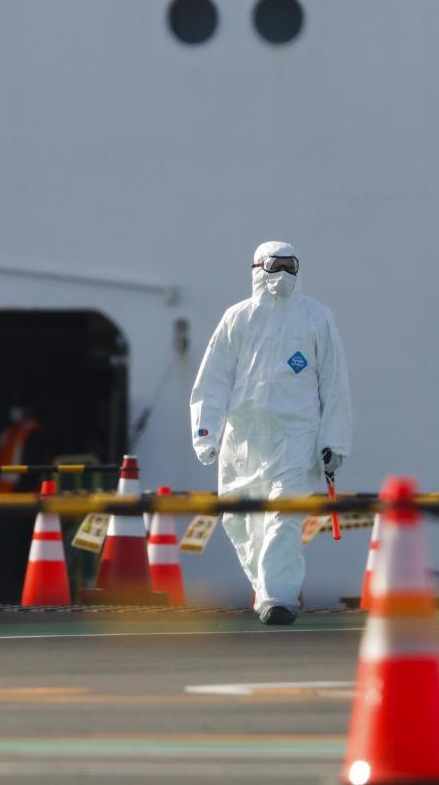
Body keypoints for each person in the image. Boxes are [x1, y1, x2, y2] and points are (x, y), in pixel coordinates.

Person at [190, 241, 353, 625]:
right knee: (238, 517)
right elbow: (213, 380)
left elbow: (334, 383)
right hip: (243, 440)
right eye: (273, 265)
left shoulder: (316, 318)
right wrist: (207, 433)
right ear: (256, 268)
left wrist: (334, 441)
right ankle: (267, 588)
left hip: (296, 438)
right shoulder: (237, 319)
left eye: (289, 265)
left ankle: (278, 598)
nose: (280, 274)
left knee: (284, 516)